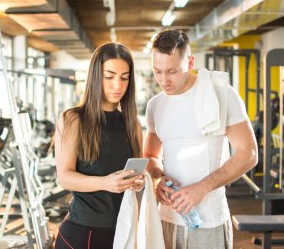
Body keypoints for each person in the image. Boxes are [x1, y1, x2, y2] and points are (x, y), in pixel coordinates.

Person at [144, 29, 258, 248]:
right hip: (167, 218)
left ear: (190, 62)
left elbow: (249, 154)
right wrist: (157, 179)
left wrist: (201, 188)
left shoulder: (221, 94)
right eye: (157, 71)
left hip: (209, 221)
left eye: (172, 71)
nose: (164, 80)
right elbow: (150, 155)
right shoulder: (155, 105)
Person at [54, 42, 144, 249]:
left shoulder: (132, 124)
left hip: (123, 230)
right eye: (109, 76)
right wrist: (105, 183)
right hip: (82, 232)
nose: (117, 85)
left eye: (124, 77)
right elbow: (65, 177)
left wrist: (138, 182)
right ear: (96, 76)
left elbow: (136, 176)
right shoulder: (73, 119)